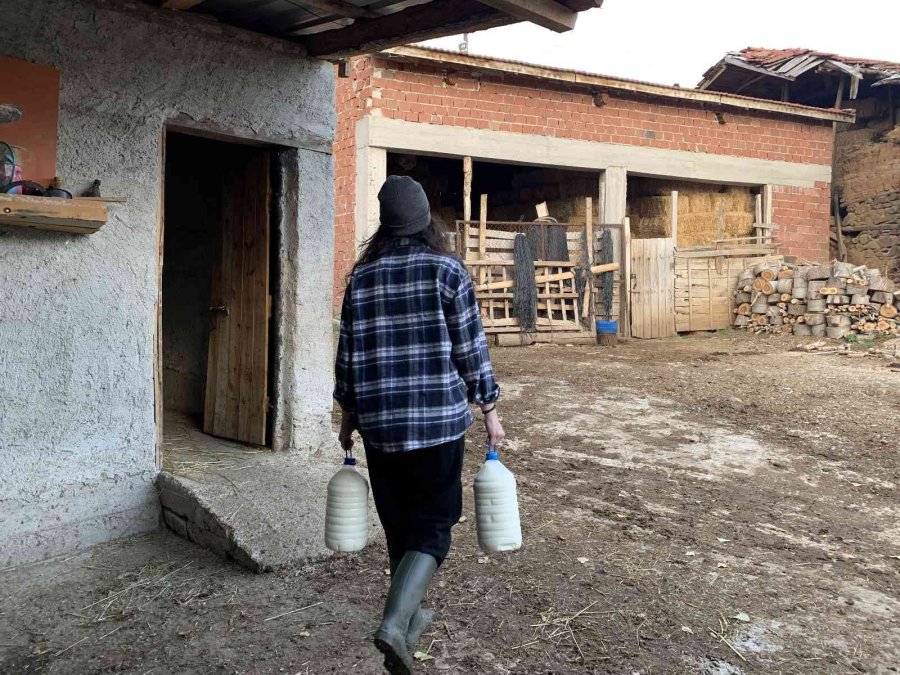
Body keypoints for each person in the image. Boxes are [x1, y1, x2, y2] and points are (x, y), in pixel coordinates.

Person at [334, 175, 504, 674]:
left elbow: (349, 357)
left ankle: (407, 625)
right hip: (438, 425)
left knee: (399, 526)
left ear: (384, 226)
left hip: (381, 424)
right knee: (432, 527)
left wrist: (348, 417)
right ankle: (392, 624)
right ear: (428, 220)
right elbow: (471, 350)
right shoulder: (448, 272)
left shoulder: (361, 280)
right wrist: (489, 410)